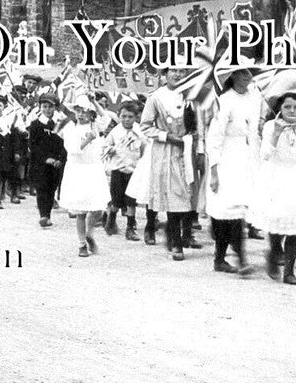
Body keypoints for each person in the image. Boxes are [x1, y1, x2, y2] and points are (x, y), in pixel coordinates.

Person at [205, 66, 265, 276]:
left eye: (250, 72)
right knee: (227, 211)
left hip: (247, 157)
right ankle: (237, 258)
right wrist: (214, 172)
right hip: (227, 158)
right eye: (243, 72)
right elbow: (215, 138)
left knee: (238, 210)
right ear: (233, 76)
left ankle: (221, 258)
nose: (248, 76)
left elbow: (256, 125)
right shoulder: (225, 100)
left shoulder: (255, 97)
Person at [259, 81, 296, 286]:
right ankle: (274, 252)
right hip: (278, 178)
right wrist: (276, 134)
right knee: (278, 223)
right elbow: (265, 154)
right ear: (280, 108)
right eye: (287, 107)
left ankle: (290, 272)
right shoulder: (270, 126)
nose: (292, 111)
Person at [131, 67, 195, 258]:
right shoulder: (156, 97)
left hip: (187, 149)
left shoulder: (191, 95)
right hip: (166, 150)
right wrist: (166, 136)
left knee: (187, 195)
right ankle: (176, 242)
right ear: (165, 74)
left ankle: (183, 235)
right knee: (173, 194)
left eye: (182, 71)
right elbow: (145, 126)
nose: (177, 75)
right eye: (173, 70)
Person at [60, 98, 109, 257]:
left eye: (84, 111)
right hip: (78, 170)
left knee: (96, 207)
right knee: (80, 211)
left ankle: (89, 233)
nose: (80, 114)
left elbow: (106, 119)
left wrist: (94, 102)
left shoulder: (95, 126)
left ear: (91, 113)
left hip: (94, 169)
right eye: (78, 111)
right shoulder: (70, 129)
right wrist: (88, 140)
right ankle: (81, 243)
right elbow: (73, 149)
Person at [102, 101, 145, 241]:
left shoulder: (139, 131)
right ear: (119, 116)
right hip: (118, 170)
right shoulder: (115, 131)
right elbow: (105, 146)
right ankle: (111, 220)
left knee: (131, 201)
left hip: (134, 171)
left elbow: (144, 150)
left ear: (136, 117)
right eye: (123, 116)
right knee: (116, 200)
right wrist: (110, 150)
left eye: (130, 116)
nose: (127, 119)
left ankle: (130, 228)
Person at [28, 95, 66, 227]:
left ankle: (48, 214)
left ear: (55, 108)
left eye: (50, 107)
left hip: (56, 163)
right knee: (41, 188)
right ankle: (43, 215)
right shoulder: (35, 124)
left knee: (51, 189)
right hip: (40, 163)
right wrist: (45, 158)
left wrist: (60, 159)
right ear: (40, 107)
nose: (47, 109)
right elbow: (33, 145)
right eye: (44, 106)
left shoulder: (60, 124)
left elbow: (63, 144)